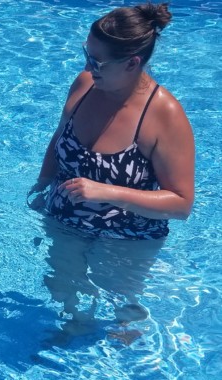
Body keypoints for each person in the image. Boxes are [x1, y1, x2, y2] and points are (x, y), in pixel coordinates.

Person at [29, 2, 195, 344]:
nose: (87, 66)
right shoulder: (85, 84)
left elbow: (181, 204)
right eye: (86, 55)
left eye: (97, 61)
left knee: (121, 304)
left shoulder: (163, 114)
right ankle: (74, 327)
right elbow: (59, 136)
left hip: (127, 237)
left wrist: (107, 192)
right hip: (65, 218)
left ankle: (126, 343)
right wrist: (42, 184)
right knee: (62, 286)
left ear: (132, 62)